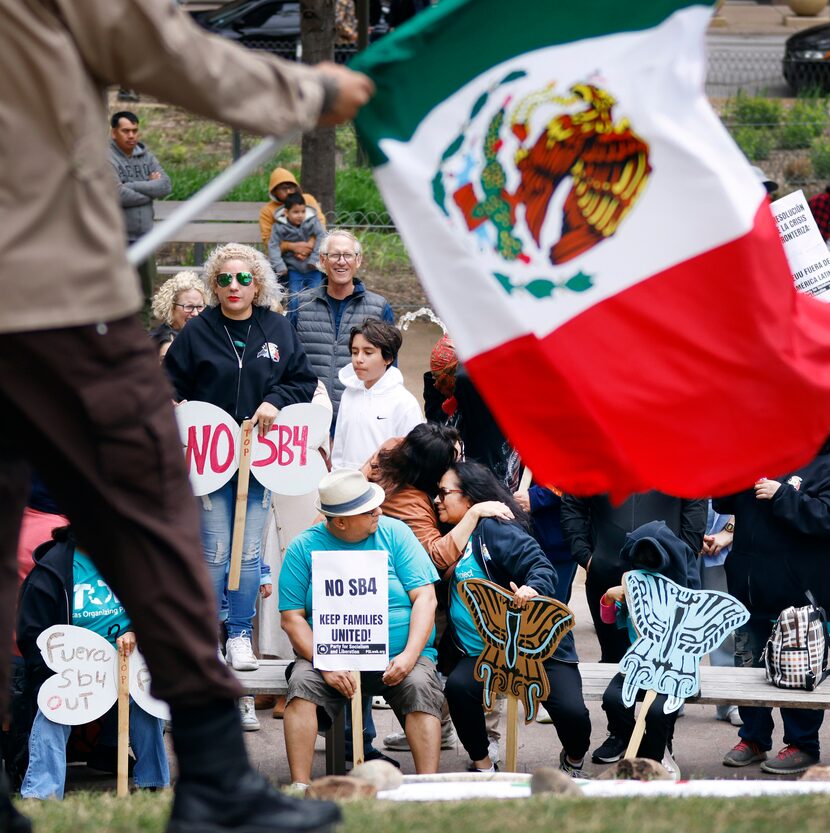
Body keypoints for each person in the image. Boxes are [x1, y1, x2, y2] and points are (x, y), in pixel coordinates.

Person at [0, 0, 373, 829]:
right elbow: (163, 44)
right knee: (153, 515)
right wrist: (304, 90)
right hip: (45, 287)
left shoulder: (273, 329)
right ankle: (212, 771)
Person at [164, 243, 317, 682]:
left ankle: (238, 634)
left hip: (260, 460)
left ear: (258, 284)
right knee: (214, 552)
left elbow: (302, 381)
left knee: (249, 552)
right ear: (214, 285)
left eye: (243, 278)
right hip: (211, 462)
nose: (234, 286)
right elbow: (167, 382)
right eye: (225, 279)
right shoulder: (197, 331)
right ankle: (209, 639)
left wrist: (274, 400)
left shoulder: (277, 329)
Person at [279, 469, 444, 786]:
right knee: (301, 686)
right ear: (339, 521)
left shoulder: (395, 533)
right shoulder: (303, 548)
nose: (379, 512)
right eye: (369, 510)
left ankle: (427, 787)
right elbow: (292, 618)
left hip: (399, 655)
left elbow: (425, 598)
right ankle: (300, 787)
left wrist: (409, 656)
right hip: (330, 655)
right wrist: (325, 663)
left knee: (420, 686)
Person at [361, 424, 512, 756]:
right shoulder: (410, 500)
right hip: (423, 588)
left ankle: (485, 738)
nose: (458, 463)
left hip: (463, 581)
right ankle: (442, 731)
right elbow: (434, 559)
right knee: (453, 659)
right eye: (452, 458)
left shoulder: (396, 451)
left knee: (481, 650)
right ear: (431, 470)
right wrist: (471, 514)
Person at [437, 461, 592, 777]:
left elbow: (542, 567)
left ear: (469, 497)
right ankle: (484, 766)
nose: (436, 500)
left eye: (443, 492)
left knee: (574, 715)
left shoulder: (496, 529)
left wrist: (531, 588)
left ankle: (574, 760)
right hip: (484, 651)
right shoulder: (450, 534)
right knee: (458, 688)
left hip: (536, 646)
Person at [17, 527, 169, 798]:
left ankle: (154, 785)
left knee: (147, 700)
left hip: (127, 660)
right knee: (54, 708)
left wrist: (137, 632)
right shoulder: (52, 569)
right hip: (71, 667)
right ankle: (42, 794)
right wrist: (53, 671)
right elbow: (32, 632)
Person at [716, 447, 830, 775]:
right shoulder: (758, 453)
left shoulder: (823, 462)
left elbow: (824, 517)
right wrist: (726, 472)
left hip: (798, 593)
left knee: (798, 667)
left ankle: (803, 744)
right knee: (748, 665)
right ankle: (753, 738)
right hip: (748, 589)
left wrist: (783, 495)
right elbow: (724, 504)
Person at [594, 521, 700, 775]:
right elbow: (610, 620)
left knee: (658, 710)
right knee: (614, 699)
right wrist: (609, 597)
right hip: (638, 662)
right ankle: (631, 740)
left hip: (675, 666)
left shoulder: (682, 589)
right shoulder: (631, 586)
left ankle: (658, 753)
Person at [288, 230, 394, 425]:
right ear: (322, 260)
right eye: (334, 255)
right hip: (309, 413)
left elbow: (390, 368)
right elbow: (287, 359)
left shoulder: (378, 307)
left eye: (348, 255)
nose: (341, 261)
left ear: (358, 260)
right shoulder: (300, 304)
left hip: (359, 416)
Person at [331, 318, 423, 471]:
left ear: (388, 358)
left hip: (384, 489)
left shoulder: (404, 402)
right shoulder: (348, 393)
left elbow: (411, 457)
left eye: (368, 352)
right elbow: (340, 445)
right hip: (346, 486)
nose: (359, 359)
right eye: (354, 352)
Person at [109, 110, 172, 306]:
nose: (131, 135)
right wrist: (149, 188)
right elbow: (115, 194)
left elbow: (166, 186)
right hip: (117, 239)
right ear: (114, 133)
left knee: (145, 294)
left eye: (135, 130)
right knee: (117, 294)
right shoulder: (106, 157)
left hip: (145, 237)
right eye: (125, 131)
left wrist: (130, 184)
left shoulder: (146, 156)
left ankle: (145, 332)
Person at [268, 193, 326, 296]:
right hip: (293, 268)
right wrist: (280, 266)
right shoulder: (279, 227)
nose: (300, 215)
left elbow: (322, 236)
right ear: (286, 212)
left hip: (313, 267)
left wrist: (314, 259)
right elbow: (273, 245)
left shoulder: (312, 222)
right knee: (294, 296)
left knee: (316, 294)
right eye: (295, 212)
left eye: (303, 211)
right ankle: (293, 313)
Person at [259, 167, 326, 248]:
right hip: (283, 255)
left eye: (290, 187)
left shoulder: (308, 199)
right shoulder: (267, 211)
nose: (288, 191)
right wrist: (292, 247)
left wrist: (311, 243)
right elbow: (268, 240)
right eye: (283, 188)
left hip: (313, 249)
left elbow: (321, 222)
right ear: (274, 191)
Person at [149, 270, 207, 356]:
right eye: (189, 307)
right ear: (171, 307)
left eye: (199, 307)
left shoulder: (207, 336)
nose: (195, 313)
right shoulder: (154, 343)